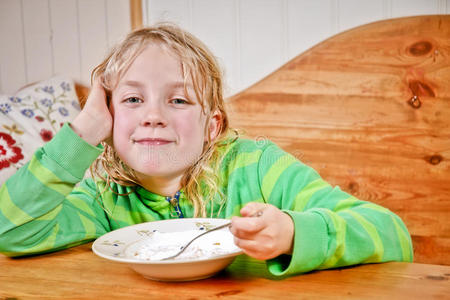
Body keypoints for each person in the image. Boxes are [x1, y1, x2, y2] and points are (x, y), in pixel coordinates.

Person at [0, 24, 412, 277]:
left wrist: (291, 232)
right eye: (131, 100)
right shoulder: (105, 196)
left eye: (178, 101)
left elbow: (392, 235)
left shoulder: (259, 168)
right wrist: (84, 130)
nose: (153, 116)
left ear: (212, 125)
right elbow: (10, 232)